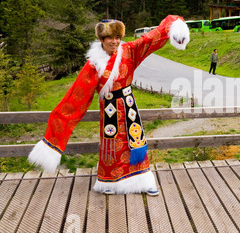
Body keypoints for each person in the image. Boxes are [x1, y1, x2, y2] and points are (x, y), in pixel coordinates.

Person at [28, 15, 190, 194]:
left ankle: (143, 180)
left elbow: (149, 39)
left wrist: (174, 25)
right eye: (110, 38)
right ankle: (109, 182)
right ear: (101, 40)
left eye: (117, 38)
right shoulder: (93, 65)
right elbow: (76, 97)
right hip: (109, 110)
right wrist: (54, 136)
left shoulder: (129, 50)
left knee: (134, 142)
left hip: (129, 107)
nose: (115, 42)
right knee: (112, 147)